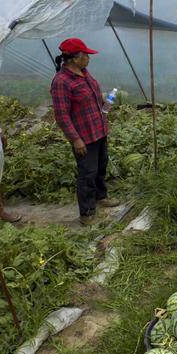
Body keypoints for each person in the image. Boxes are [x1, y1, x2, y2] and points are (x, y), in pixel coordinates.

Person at [50, 38, 119, 225]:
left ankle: (101, 196)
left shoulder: (84, 73)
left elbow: (92, 98)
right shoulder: (61, 82)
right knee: (87, 173)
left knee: (101, 166)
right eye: (86, 55)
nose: (89, 58)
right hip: (84, 136)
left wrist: (104, 104)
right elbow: (61, 115)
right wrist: (75, 139)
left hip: (99, 130)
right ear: (74, 58)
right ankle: (86, 213)